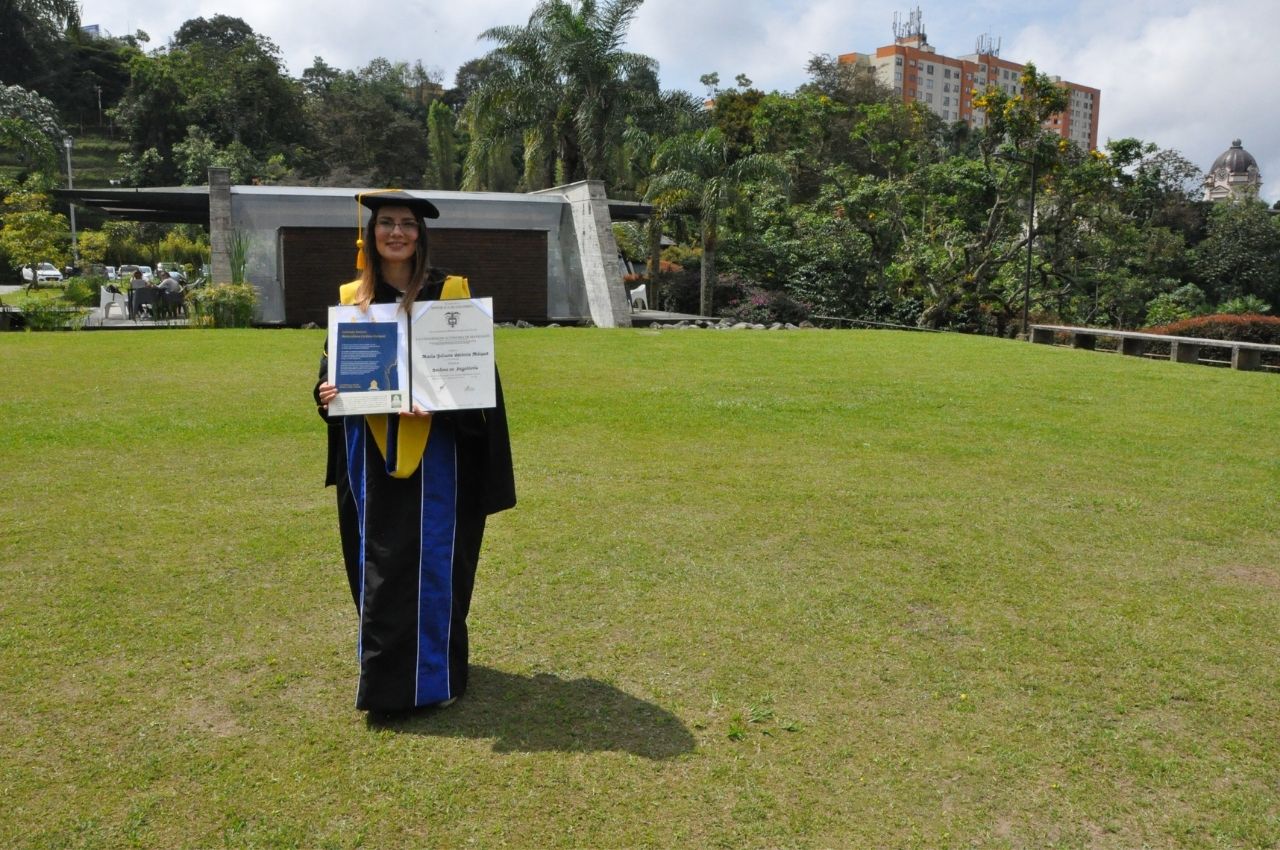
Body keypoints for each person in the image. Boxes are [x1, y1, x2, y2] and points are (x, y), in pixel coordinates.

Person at [314, 190, 515, 717]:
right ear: (371, 234)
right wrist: (325, 394)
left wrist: (440, 408)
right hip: (369, 454)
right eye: (386, 224)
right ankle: (384, 680)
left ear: (421, 234)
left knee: (435, 561)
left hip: (439, 455)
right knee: (376, 560)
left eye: (407, 224)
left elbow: (477, 387)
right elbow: (331, 379)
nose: (397, 233)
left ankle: (434, 677)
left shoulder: (450, 294)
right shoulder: (352, 299)